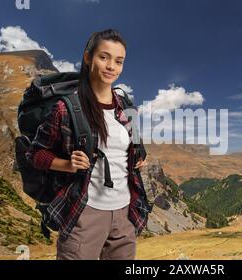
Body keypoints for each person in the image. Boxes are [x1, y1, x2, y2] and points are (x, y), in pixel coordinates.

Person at [27, 29, 150, 260]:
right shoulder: (66, 108)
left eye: (118, 61)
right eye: (104, 57)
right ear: (88, 57)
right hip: (84, 213)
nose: (111, 66)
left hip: (124, 214)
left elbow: (133, 146)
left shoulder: (126, 106)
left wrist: (140, 158)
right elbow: (35, 154)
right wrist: (67, 164)